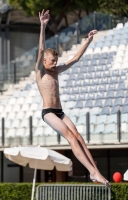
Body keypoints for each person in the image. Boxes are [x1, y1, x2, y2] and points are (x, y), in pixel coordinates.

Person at [35, 9, 110, 188]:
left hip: (60, 112)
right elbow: (40, 49)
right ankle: (92, 171)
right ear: (44, 61)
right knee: (70, 137)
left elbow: (75, 59)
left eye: (56, 61)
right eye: (52, 61)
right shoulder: (40, 71)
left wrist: (88, 41)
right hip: (48, 113)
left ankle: (95, 172)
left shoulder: (57, 71)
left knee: (79, 137)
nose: (55, 64)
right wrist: (43, 27)